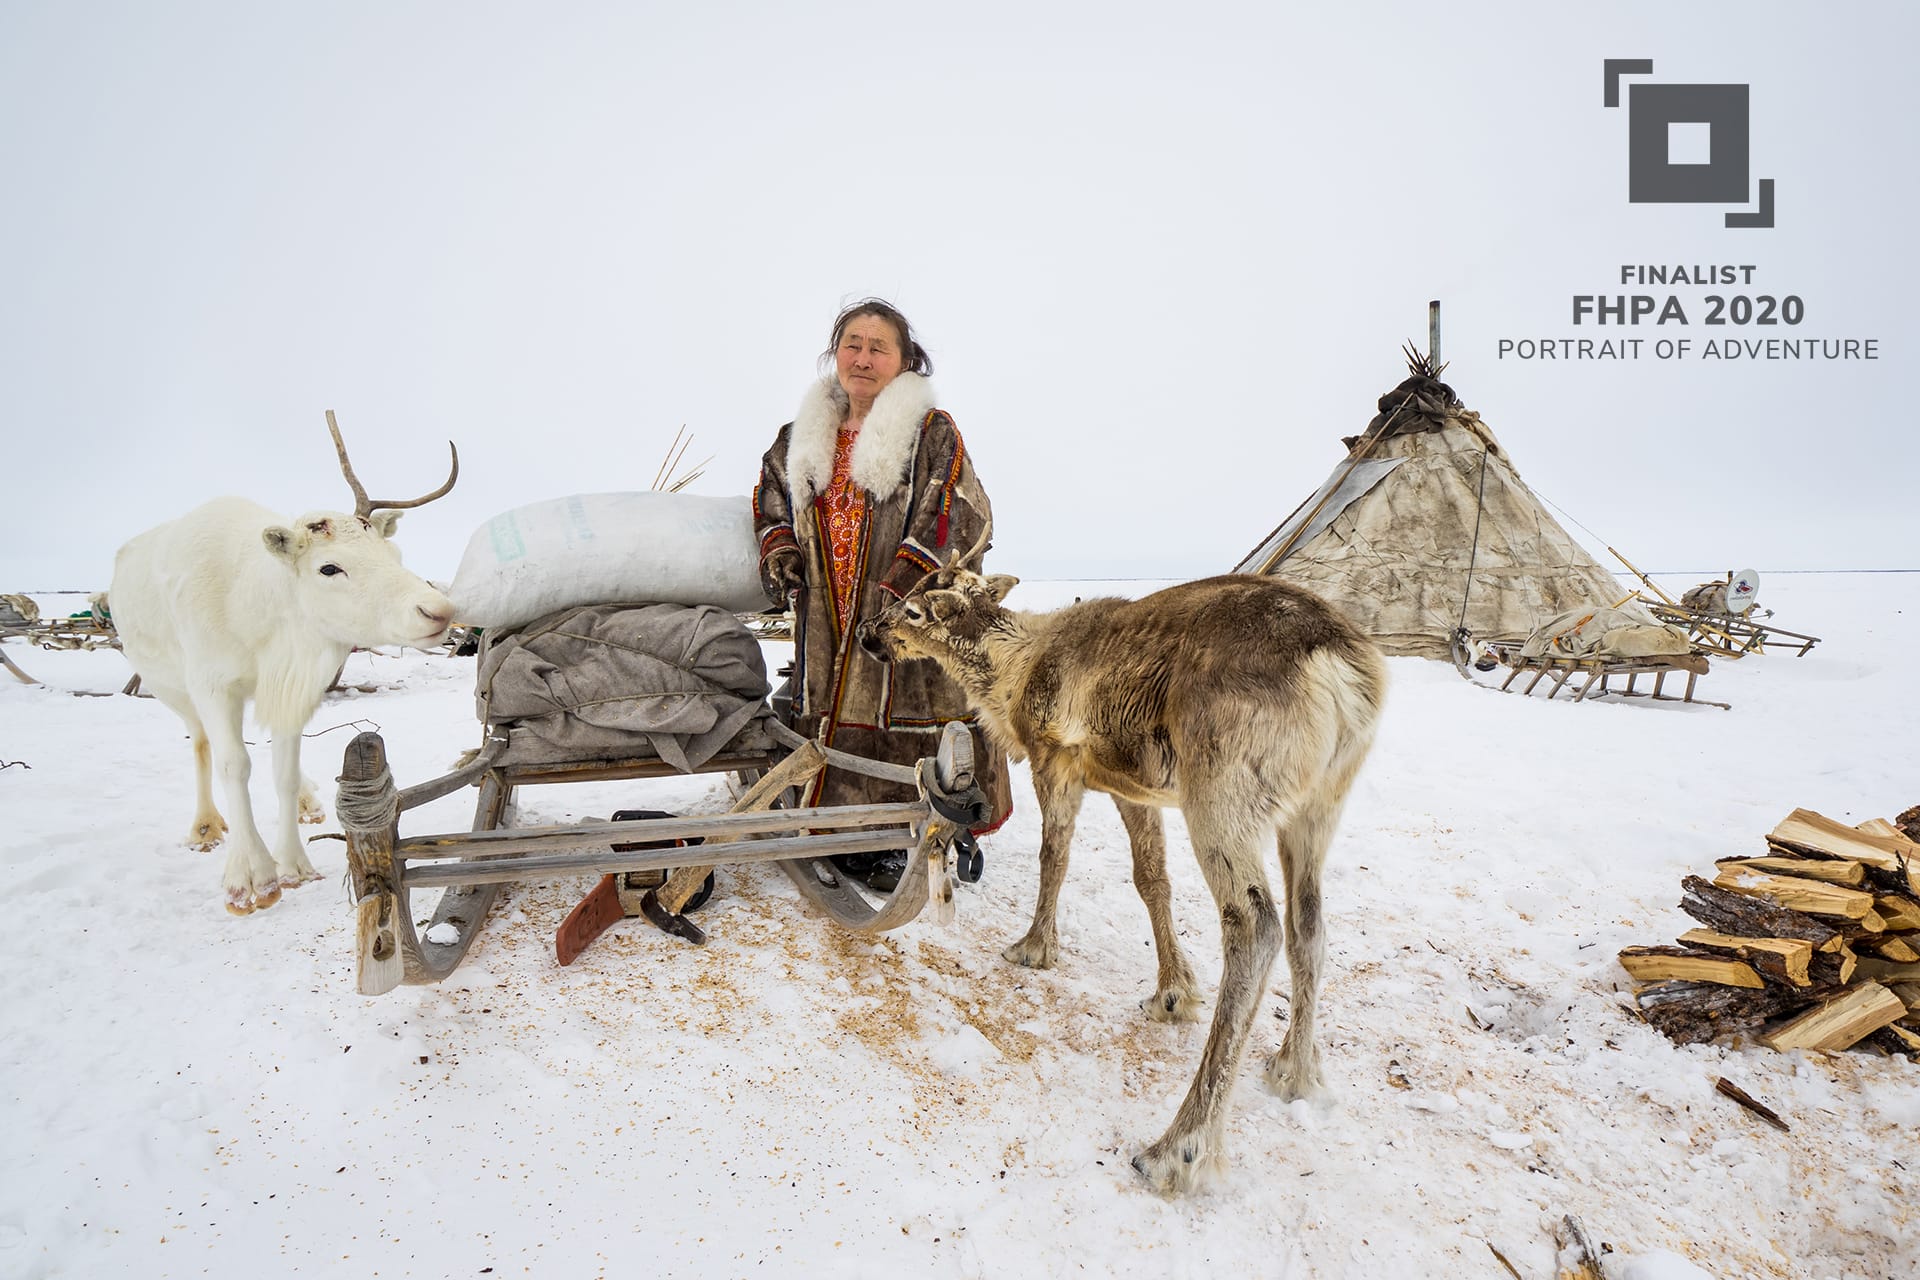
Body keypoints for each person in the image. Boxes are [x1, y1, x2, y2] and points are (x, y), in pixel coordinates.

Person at [753, 299, 1011, 890]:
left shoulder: (930, 432)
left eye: (878, 348)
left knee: (909, 708)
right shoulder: (799, 438)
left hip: (907, 615)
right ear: (835, 352)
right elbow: (770, 495)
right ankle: (847, 831)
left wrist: (906, 581)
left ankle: (939, 827)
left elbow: (958, 510)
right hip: (828, 608)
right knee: (836, 704)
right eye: (852, 344)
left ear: (903, 361)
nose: (863, 358)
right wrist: (782, 552)